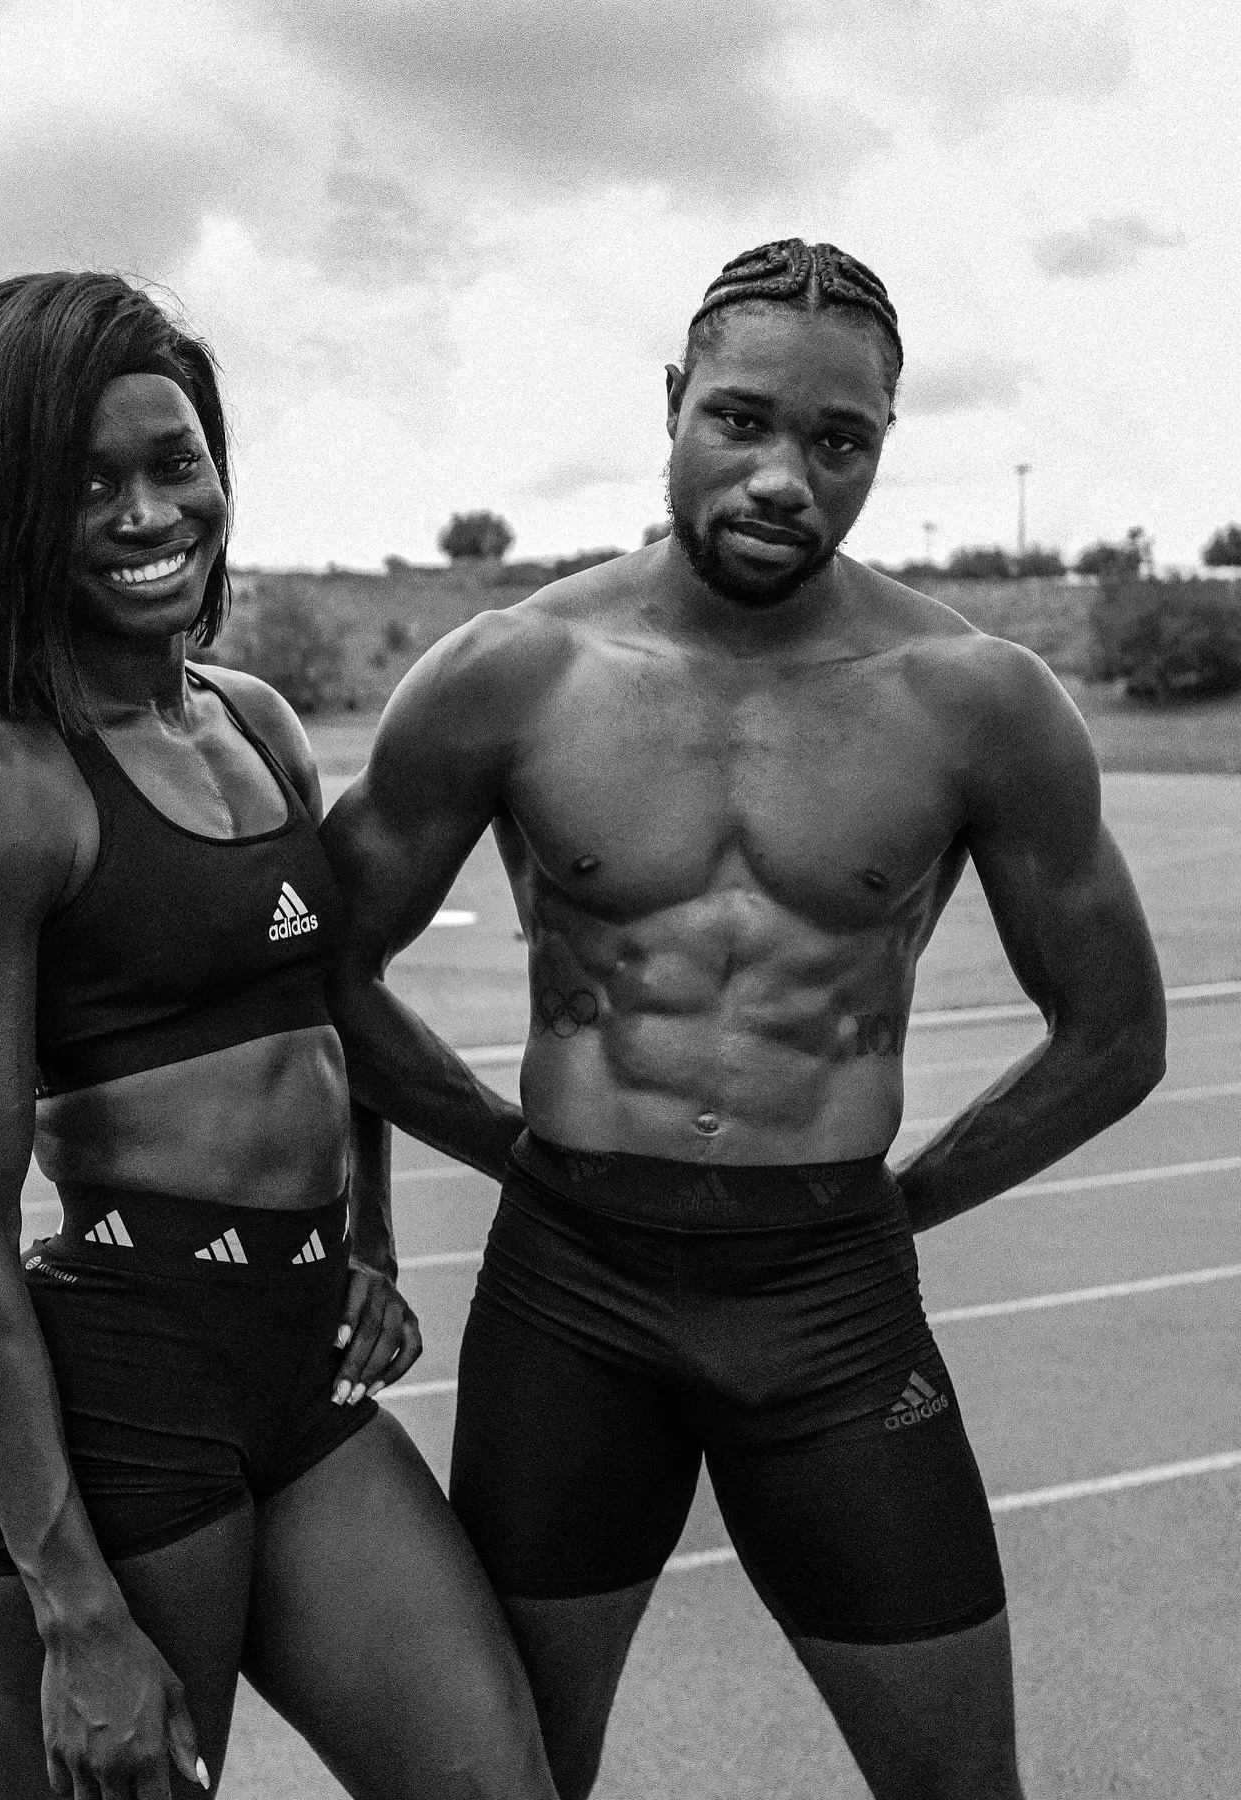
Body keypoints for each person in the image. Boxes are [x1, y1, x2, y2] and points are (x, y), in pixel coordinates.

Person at [321, 238, 1168, 1800]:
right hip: (569, 1292)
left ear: (882, 448)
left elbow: (1118, 1032)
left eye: (838, 441)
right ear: (674, 404)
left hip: (832, 1300)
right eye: (742, 421)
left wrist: (901, 1205)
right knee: (515, 1785)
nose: (786, 475)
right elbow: (325, 963)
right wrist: (472, 1169)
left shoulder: (975, 698)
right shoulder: (510, 673)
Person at [0, 272, 557, 1800]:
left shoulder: (251, 717)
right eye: (89, 482)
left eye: (173, 461)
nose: (146, 512)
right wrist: (75, 1604)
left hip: (296, 1370)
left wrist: (373, 1235)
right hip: (119, 1387)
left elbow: (326, 1009)